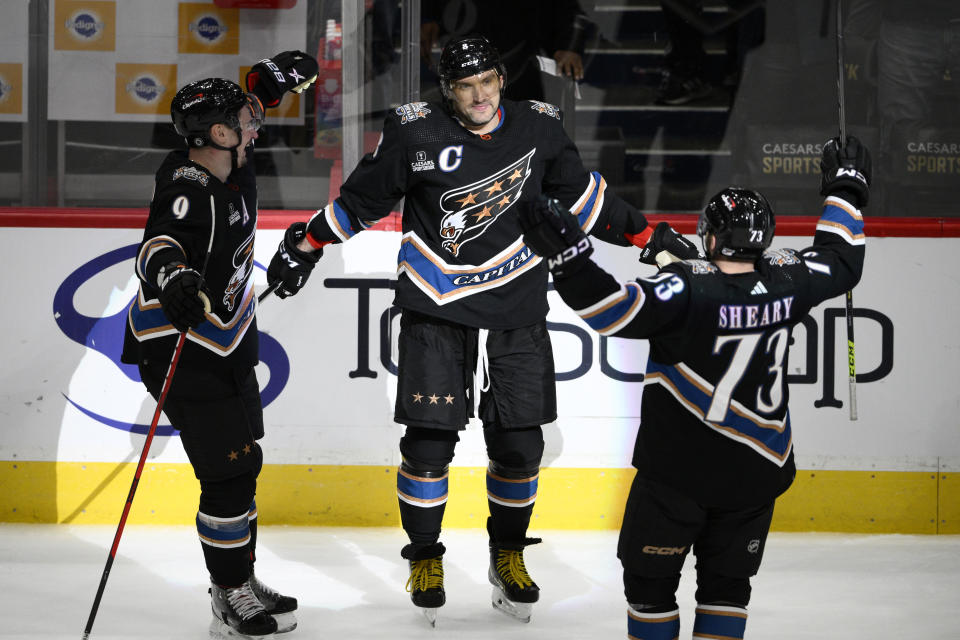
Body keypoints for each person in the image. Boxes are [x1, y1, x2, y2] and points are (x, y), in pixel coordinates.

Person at [264, 35, 697, 625]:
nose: (479, 96)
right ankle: (424, 556)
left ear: (502, 79)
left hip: (517, 307)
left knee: (521, 448)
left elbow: (587, 202)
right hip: (436, 309)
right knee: (428, 446)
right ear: (449, 89)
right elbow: (361, 201)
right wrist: (308, 243)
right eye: (465, 86)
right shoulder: (414, 130)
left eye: (488, 82)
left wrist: (652, 239)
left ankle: (508, 556)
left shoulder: (539, 126)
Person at [519, 136, 870, 639]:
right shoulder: (792, 279)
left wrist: (570, 257)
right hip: (756, 473)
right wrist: (846, 191)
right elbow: (841, 261)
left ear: (709, 237)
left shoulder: (685, 290)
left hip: (677, 476)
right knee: (727, 591)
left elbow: (611, 309)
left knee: (650, 587)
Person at [120, 51, 318, 638]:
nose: (254, 127)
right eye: (243, 119)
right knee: (227, 475)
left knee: (245, 463)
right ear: (217, 134)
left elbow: (254, 107)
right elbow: (158, 243)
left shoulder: (236, 167)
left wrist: (262, 88)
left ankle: (240, 575)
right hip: (178, 346)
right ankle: (229, 595)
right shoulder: (187, 183)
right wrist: (175, 280)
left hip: (228, 341)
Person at [420, 0, 589, 101]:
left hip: (517, 61)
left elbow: (566, 8)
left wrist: (568, 46)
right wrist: (427, 16)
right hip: (461, 59)